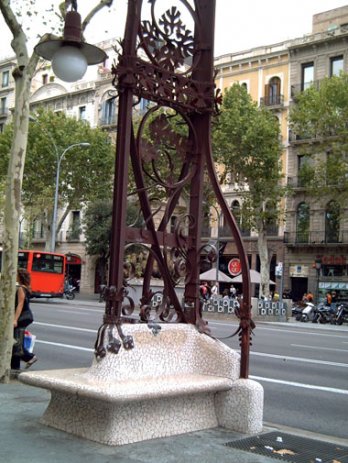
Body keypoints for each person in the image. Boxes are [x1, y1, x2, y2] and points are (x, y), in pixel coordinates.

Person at [11, 269, 37, 372]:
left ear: (19, 277)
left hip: (23, 317)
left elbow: (20, 305)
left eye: (16, 275)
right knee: (16, 340)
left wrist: (15, 319)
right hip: (26, 316)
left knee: (15, 341)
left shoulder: (21, 288)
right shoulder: (26, 287)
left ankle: (28, 358)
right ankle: (17, 364)